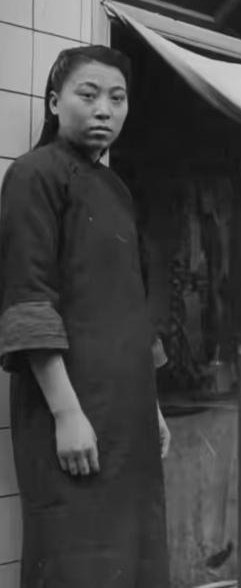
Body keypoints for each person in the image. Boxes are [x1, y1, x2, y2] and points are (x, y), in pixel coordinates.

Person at [0, 46, 171, 587]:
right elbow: (27, 299)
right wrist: (66, 414)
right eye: (88, 94)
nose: (104, 110)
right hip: (71, 411)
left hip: (128, 414)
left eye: (117, 99)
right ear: (55, 102)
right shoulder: (33, 175)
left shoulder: (116, 189)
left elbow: (133, 303)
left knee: (134, 558)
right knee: (76, 561)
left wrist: (152, 406)